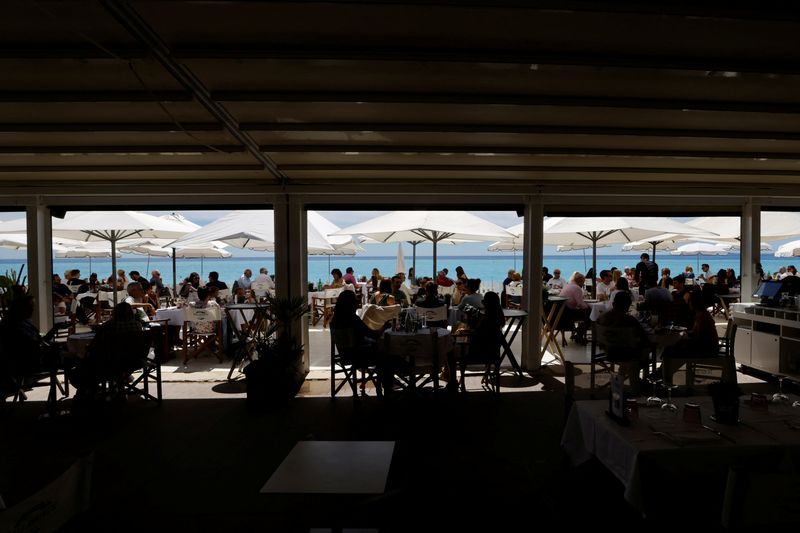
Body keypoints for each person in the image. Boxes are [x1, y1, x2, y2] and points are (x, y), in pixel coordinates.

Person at [596, 291, 649, 393]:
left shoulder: (602, 318)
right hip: (628, 355)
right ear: (628, 305)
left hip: (609, 352)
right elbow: (643, 338)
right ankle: (640, 382)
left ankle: (621, 378)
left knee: (631, 351)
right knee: (646, 349)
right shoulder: (630, 320)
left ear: (613, 304)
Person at [558, 272, 589, 346]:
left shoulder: (567, 286)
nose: (583, 284)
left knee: (588, 312)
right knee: (589, 313)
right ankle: (579, 332)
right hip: (568, 314)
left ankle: (578, 331)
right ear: (580, 281)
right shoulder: (577, 288)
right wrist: (588, 306)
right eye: (583, 282)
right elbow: (580, 304)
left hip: (561, 313)